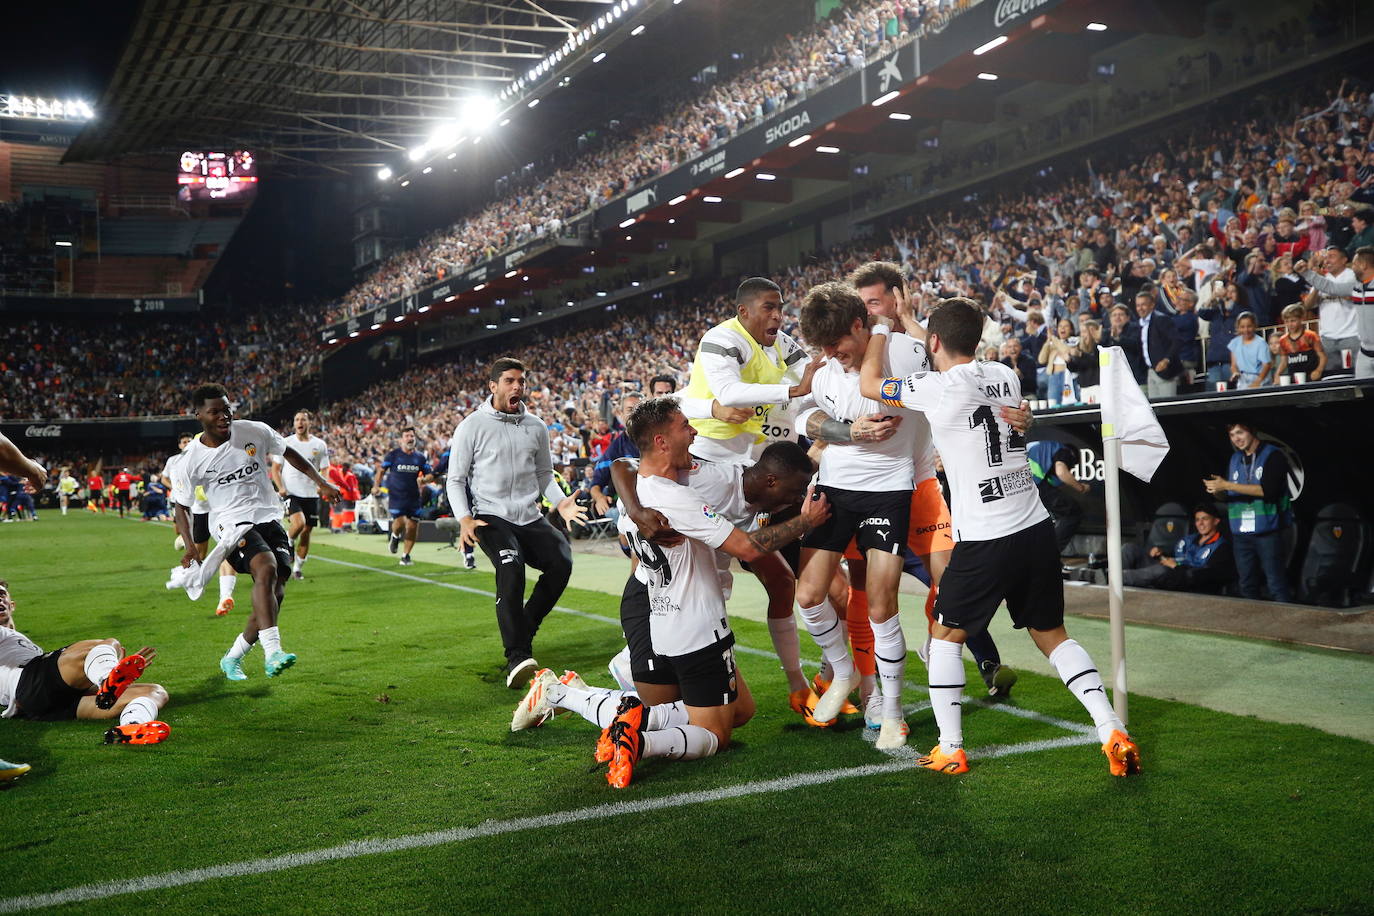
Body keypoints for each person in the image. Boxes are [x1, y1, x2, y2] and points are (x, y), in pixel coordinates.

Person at [860, 295, 1139, 777]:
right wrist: (912, 321)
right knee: (1052, 635)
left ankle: (950, 746)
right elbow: (949, 349)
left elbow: (869, 384)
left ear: (935, 342)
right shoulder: (1003, 375)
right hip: (1034, 527)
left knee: (945, 638)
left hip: (987, 536)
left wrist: (883, 328)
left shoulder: (936, 387)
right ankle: (1110, 726)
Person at [511, 441, 818, 771]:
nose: (798, 499)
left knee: (739, 712)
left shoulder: (747, 490)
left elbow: (776, 574)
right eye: (683, 428)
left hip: (692, 605)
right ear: (772, 480)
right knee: (677, 720)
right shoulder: (702, 478)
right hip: (656, 601)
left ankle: (579, 691)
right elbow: (622, 465)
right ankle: (561, 693)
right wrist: (635, 510)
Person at [590, 399, 829, 787]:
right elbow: (748, 548)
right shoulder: (688, 490)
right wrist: (805, 521)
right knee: (707, 730)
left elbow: (628, 468)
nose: (695, 433)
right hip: (665, 605)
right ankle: (613, 714)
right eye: (687, 426)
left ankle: (596, 704)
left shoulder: (673, 479)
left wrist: (633, 511)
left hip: (674, 603)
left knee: (740, 710)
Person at [172, 383, 340, 681]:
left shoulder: (254, 430)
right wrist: (189, 547)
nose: (224, 416)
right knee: (266, 566)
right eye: (215, 412)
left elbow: (288, 453)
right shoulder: (190, 460)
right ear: (198, 415)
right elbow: (181, 507)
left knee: (276, 590)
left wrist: (320, 481)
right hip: (230, 523)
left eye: (227, 409)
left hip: (268, 515)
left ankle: (233, 656)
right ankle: (273, 651)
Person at [446, 357, 587, 687]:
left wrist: (559, 502)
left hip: (529, 514)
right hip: (490, 515)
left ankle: (525, 625)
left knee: (562, 561)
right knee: (511, 566)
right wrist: (464, 519)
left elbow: (542, 474)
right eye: (509, 381)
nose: (518, 387)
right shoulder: (471, 426)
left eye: (521, 381)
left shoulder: (536, 426)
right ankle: (518, 655)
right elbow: (455, 479)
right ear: (493, 386)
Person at [0, 578, 171, 745]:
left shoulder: (21, 643)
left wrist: (117, 670)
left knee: (155, 692)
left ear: (11, 604)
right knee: (107, 644)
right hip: (27, 682)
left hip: (44, 706)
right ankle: (106, 678)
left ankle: (131, 727)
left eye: (1, 594)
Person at [681, 277, 821, 465]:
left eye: (780, 308)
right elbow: (728, 393)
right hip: (707, 449)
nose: (778, 315)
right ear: (743, 311)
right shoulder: (720, 339)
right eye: (768, 307)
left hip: (747, 449)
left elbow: (811, 371)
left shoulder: (779, 340)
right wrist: (793, 390)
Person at [1204, 422, 1293, 602]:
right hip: (1241, 534)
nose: (1237, 439)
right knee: (1246, 584)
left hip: (1268, 533)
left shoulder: (1273, 455)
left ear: (1252, 431)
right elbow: (1230, 495)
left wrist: (1227, 485)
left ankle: (1287, 627)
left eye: (1240, 432)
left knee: (1275, 583)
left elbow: (1269, 491)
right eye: (1232, 435)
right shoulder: (1235, 459)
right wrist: (1218, 491)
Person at [1073, 503, 1234, 592]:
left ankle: (1109, 577)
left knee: (1162, 570)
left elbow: (1209, 574)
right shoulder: (1190, 539)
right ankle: (1104, 573)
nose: (1200, 523)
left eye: (1205, 519)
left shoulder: (1221, 547)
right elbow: (1176, 555)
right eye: (1198, 519)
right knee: (1130, 548)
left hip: (1183, 579)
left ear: (1216, 521)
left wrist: (1179, 567)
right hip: (1168, 569)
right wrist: (1162, 554)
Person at [164, 432, 238, 616]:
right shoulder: (181, 459)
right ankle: (193, 575)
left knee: (228, 548)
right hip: (199, 510)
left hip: (221, 510)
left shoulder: (225, 447)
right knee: (200, 552)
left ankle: (225, 596)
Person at [1297, 246, 1374, 379]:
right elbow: (1331, 287)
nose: (1352, 266)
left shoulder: (1353, 282)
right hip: (1365, 352)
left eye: (1355, 263)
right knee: (1360, 389)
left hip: (1354, 339)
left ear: (1363, 265)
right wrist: (1306, 273)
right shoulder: (1356, 287)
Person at [271, 410, 330, 579]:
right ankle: (288, 542)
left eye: (303, 419)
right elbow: (275, 468)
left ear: (309, 423)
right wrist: (281, 487)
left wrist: (322, 484)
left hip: (311, 494)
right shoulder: (285, 442)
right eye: (296, 419)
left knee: (306, 532)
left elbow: (325, 468)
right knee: (298, 523)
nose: (299, 422)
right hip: (291, 492)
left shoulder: (319, 445)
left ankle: (297, 567)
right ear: (294, 423)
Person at [377, 427, 432, 567]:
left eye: (412, 436)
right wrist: (376, 486)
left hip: (413, 497)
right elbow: (381, 471)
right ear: (401, 439)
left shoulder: (420, 457)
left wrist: (425, 480)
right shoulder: (393, 455)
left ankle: (405, 556)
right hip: (396, 496)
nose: (410, 438)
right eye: (407, 436)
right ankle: (395, 536)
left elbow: (429, 475)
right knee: (400, 522)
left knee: (413, 526)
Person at [1027, 439, 1089, 556]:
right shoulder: (1064, 451)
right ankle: (1049, 554)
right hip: (1036, 483)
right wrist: (1081, 487)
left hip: (1024, 485)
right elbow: (1061, 472)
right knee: (1072, 513)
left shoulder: (1043, 449)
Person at [1136, 289, 1180, 398]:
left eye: (1143, 305)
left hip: (1166, 372)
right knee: (1155, 411)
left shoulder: (1161, 319)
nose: (1140, 308)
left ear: (1152, 305)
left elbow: (1177, 341)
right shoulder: (1140, 324)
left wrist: (1166, 360)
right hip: (1151, 372)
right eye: (1138, 305)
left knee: (1168, 408)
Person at [1274, 304, 1326, 382]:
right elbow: (1284, 361)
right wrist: (1277, 375)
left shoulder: (1311, 336)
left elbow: (1323, 357)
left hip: (1311, 376)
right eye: (1287, 321)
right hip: (1293, 378)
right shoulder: (1283, 340)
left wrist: (1318, 370)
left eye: (1293, 321)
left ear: (1301, 319)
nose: (1290, 324)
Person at [1227, 312, 1272, 388]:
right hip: (1243, 380)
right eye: (1242, 327)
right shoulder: (1234, 343)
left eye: (1249, 326)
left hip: (1260, 378)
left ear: (1254, 326)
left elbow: (1267, 365)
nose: (1246, 330)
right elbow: (1233, 365)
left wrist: (1258, 381)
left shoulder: (1260, 343)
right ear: (1238, 327)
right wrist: (1235, 373)